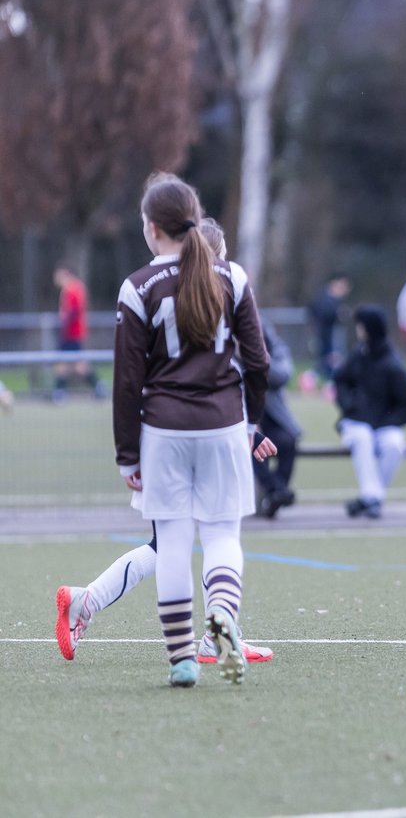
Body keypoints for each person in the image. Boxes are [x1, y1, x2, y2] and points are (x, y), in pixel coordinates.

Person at [54, 217, 277, 668]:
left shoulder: (182, 293)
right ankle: (201, 643)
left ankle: (93, 604)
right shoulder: (199, 295)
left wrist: (246, 431)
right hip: (179, 436)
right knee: (201, 536)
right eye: (223, 255)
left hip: (180, 435)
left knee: (177, 542)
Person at [106, 173, 270, 688]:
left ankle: (181, 660)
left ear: (153, 229)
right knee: (223, 534)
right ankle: (222, 613)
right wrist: (252, 423)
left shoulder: (137, 287)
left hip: (163, 432)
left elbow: (127, 381)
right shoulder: (233, 276)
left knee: (173, 542)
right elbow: (259, 363)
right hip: (224, 425)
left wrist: (127, 456)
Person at [333, 304, 406, 519]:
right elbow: (341, 381)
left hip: (383, 424)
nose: (358, 330)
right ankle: (373, 499)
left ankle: (369, 499)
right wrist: (349, 405)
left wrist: (389, 422)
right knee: (362, 438)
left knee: (394, 445)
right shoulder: (358, 355)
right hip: (356, 423)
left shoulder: (392, 365)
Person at [254, 319, 303, 518]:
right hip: (245, 417)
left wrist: (258, 359)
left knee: (287, 441)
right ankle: (278, 491)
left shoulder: (275, 347)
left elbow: (281, 376)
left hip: (273, 417)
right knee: (252, 444)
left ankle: (276, 493)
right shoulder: (231, 347)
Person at [51, 262, 108, 402]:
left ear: (65, 273)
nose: (55, 278)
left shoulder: (72, 288)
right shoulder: (74, 287)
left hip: (71, 333)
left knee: (70, 364)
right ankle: (98, 387)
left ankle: (59, 393)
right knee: (75, 364)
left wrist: (64, 324)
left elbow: (73, 311)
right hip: (72, 332)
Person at [308, 272, 349, 382]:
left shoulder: (333, 300)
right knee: (327, 361)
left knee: (329, 362)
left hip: (328, 336)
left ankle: (322, 381)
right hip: (326, 336)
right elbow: (322, 314)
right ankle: (310, 378)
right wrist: (338, 315)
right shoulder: (326, 299)